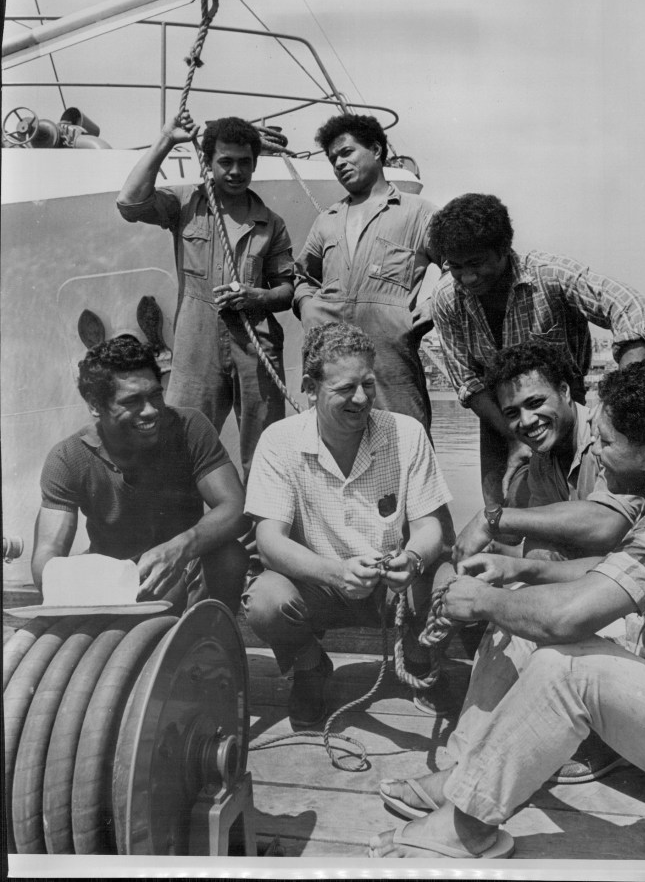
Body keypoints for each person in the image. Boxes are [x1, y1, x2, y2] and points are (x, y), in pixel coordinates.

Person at [369, 358, 645, 860]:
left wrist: (482, 600)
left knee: (565, 667)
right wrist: (520, 572)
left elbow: (566, 618)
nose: (598, 457)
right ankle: (464, 771)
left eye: (605, 443)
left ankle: (466, 827)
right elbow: (622, 566)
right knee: (521, 610)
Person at [243, 322, 453, 728]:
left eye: (368, 384)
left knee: (444, 580)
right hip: (320, 584)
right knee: (265, 601)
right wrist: (337, 573)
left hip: (393, 587)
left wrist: (411, 558)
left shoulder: (406, 433)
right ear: (309, 386)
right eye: (345, 389)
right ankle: (310, 668)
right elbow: (269, 542)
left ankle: (419, 657)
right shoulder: (278, 441)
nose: (361, 399)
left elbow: (431, 528)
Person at [429, 193, 645, 506]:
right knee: (502, 516)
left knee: (587, 506)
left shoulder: (549, 274)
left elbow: (629, 307)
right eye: (455, 266)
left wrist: (623, 401)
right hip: (499, 417)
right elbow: (467, 383)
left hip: (563, 411)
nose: (467, 277)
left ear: (503, 250)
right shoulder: (445, 298)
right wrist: (514, 436)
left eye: (476, 263)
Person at [116, 112, 294, 480]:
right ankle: (187, 531)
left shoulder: (271, 223)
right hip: (196, 345)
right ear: (208, 162)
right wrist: (166, 139)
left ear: (255, 164)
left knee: (265, 455)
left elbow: (286, 291)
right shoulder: (184, 204)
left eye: (245, 162)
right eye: (225, 162)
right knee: (180, 443)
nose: (235, 171)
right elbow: (129, 204)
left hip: (255, 347)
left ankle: (259, 533)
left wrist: (255, 296)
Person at [31, 336, 250, 614]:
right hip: (112, 583)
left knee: (229, 557)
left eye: (155, 395)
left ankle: (213, 645)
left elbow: (236, 508)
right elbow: (45, 559)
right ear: (95, 406)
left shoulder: (190, 427)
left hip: (181, 568)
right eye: (132, 401)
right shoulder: (67, 458)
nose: (150, 411)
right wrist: (83, 582)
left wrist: (179, 548)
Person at [293, 114, 440, 435]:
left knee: (407, 442)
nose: (339, 164)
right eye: (333, 159)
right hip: (331, 361)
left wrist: (435, 304)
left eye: (346, 152)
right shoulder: (326, 220)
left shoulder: (417, 212)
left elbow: (459, 265)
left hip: (391, 361)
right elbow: (303, 277)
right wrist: (307, 307)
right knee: (332, 449)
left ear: (376, 149)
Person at [454, 340, 645, 563]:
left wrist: (492, 519)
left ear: (564, 392)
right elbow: (542, 542)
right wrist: (495, 551)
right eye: (512, 413)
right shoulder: (540, 459)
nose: (526, 421)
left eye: (535, 403)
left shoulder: (608, 439)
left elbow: (607, 525)